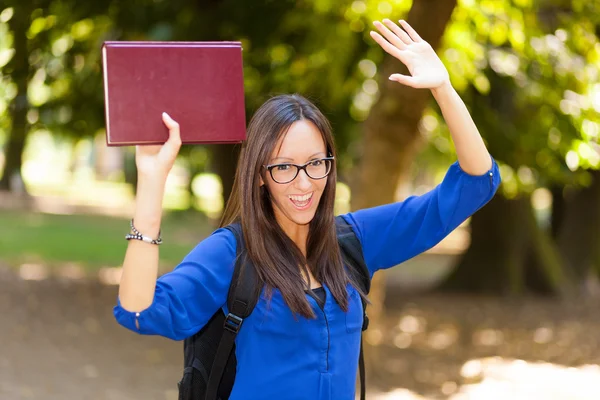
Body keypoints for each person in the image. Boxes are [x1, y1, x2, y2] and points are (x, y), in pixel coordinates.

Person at [114, 19, 501, 400]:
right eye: (284, 167)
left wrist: (444, 89)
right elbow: (139, 312)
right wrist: (151, 181)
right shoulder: (233, 254)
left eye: (316, 163)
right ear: (260, 175)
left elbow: (476, 184)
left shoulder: (354, 241)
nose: (304, 183)